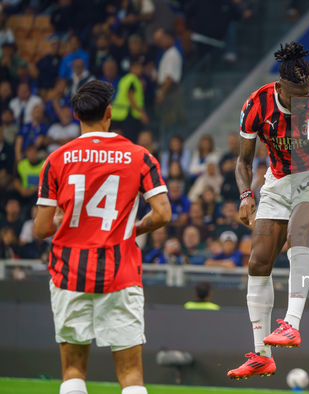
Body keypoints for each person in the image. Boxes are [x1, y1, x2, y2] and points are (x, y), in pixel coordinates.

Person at [33, 80, 171, 394]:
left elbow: (41, 230)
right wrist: (132, 229)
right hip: (120, 273)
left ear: (76, 114)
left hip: (69, 273)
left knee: (72, 371)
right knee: (132, 375)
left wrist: (60, 219)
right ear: (109, 113)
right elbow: (163, 214)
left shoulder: (56, 160)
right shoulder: (140, 156)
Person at [227, 41, 309, 379]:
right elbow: (243, 161)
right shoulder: (257, 105)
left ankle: (291, 324)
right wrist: (246, 195)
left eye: (308, 89)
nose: (304, 96)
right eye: (297, 92)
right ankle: (262, 354)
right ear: (281, 85)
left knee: (298, 235)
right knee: (258, 262)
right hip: (276, 180)